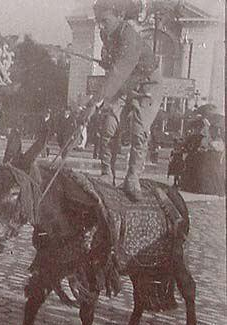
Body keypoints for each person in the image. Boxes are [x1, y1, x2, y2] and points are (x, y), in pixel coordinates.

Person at [81, 0, 162, 201]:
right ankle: (107, 173)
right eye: (99, 21)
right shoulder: (105, 34)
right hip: (125, 83)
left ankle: (132, 178)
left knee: (139, 130)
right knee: (108, 125)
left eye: (105, 21)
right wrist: (107, 61)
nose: (101, 26)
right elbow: (113, 67)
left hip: (147, 84)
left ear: (119, 16)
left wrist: (94, 103)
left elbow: (118, 72)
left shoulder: (130, 37)